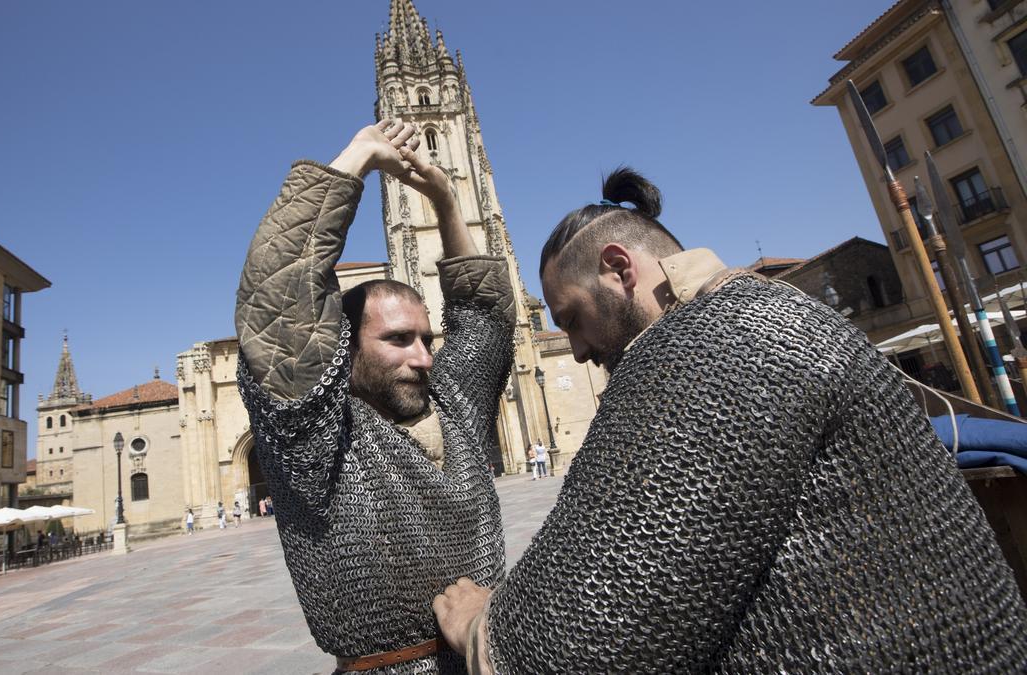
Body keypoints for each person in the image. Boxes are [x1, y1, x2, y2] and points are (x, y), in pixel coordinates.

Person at [432, 167, 1027, 672]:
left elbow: (585, 640)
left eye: (573, 318)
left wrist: (480, 627)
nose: (578, 349)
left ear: (619, 268)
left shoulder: (707, 345)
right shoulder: (780, 314)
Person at [235, 119, 513, 673]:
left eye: (426, 338)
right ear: (343, 350)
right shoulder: (317, 441)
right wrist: (359, 156)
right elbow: (279, 303)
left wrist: (445, 202)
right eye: (396, 339)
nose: (423, 357)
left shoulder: (452, 402)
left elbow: (484, 316)